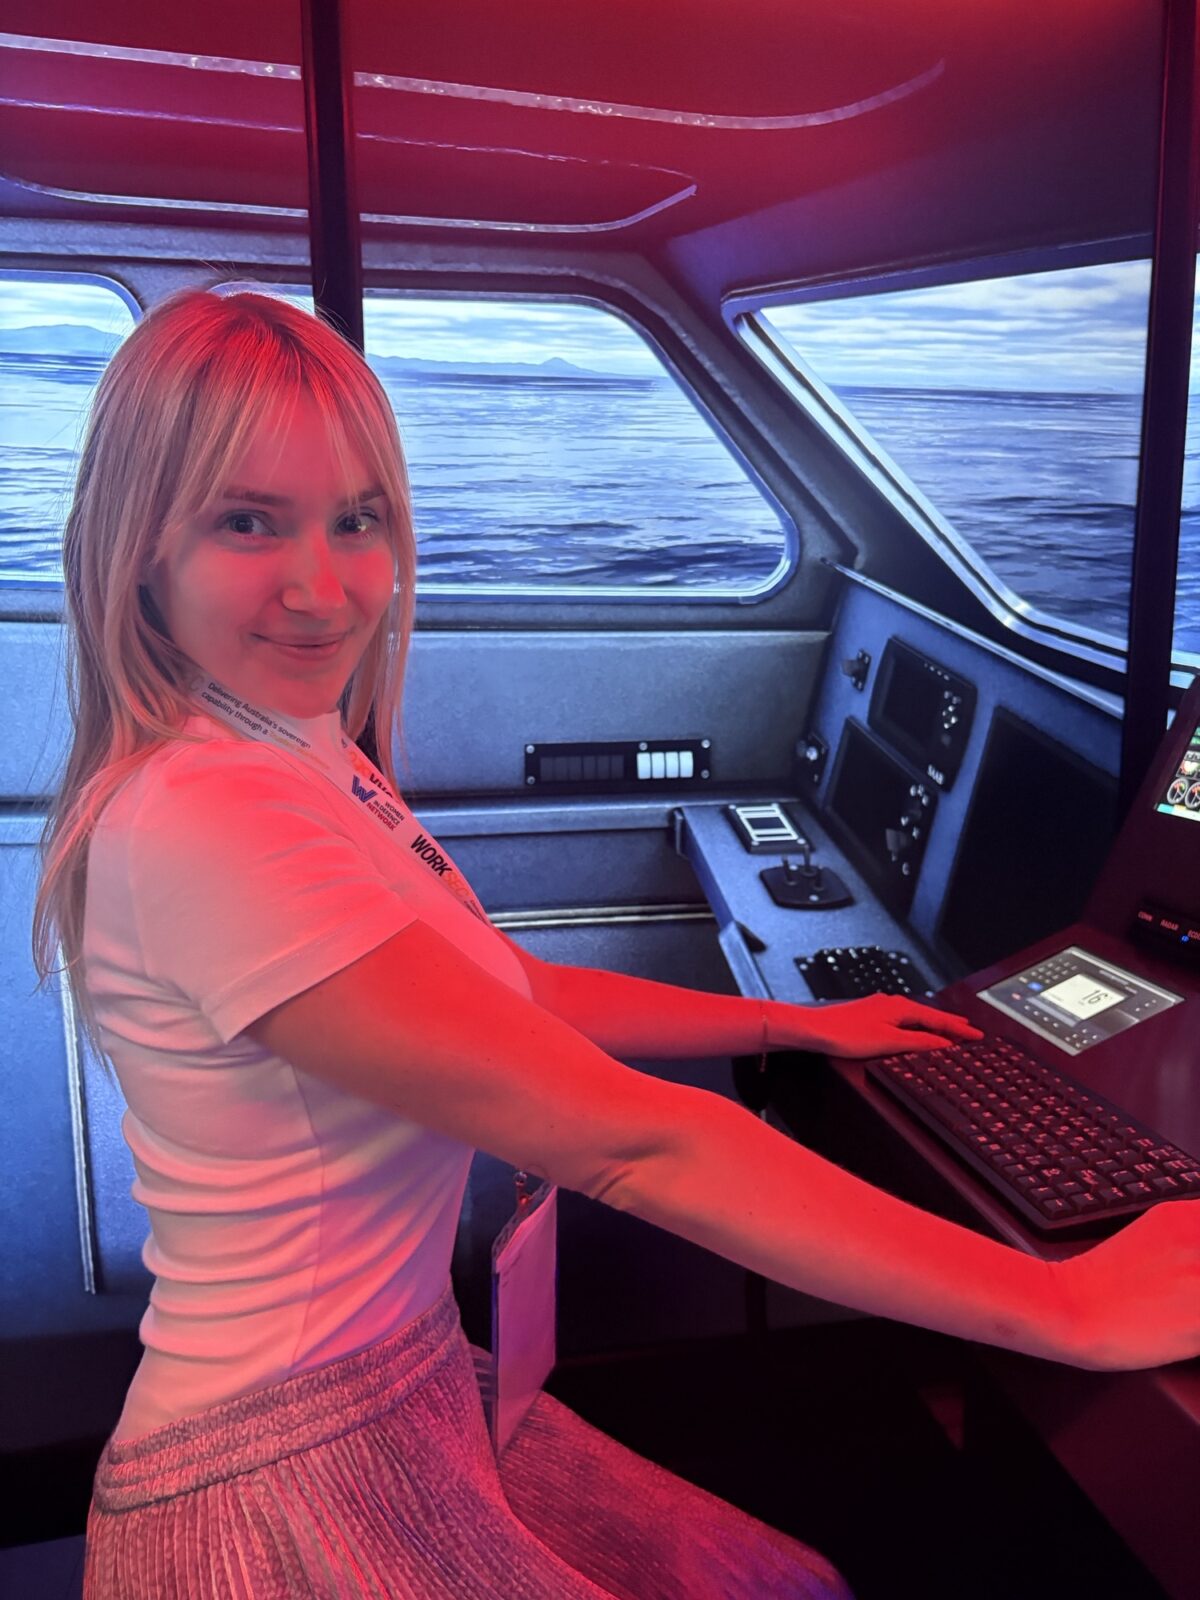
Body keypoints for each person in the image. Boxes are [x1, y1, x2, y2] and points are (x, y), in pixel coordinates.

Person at [33, 285, 1200, 1600]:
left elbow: (513, 989)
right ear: (140, 545)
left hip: (407, 1370)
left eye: (356, 520)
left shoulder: (293, 741)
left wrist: (794, 1024)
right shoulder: (202, 814)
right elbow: (630, 1144)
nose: (323, 589)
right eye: (248, 522)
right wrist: (1067, 1306)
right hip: (281, 1458)